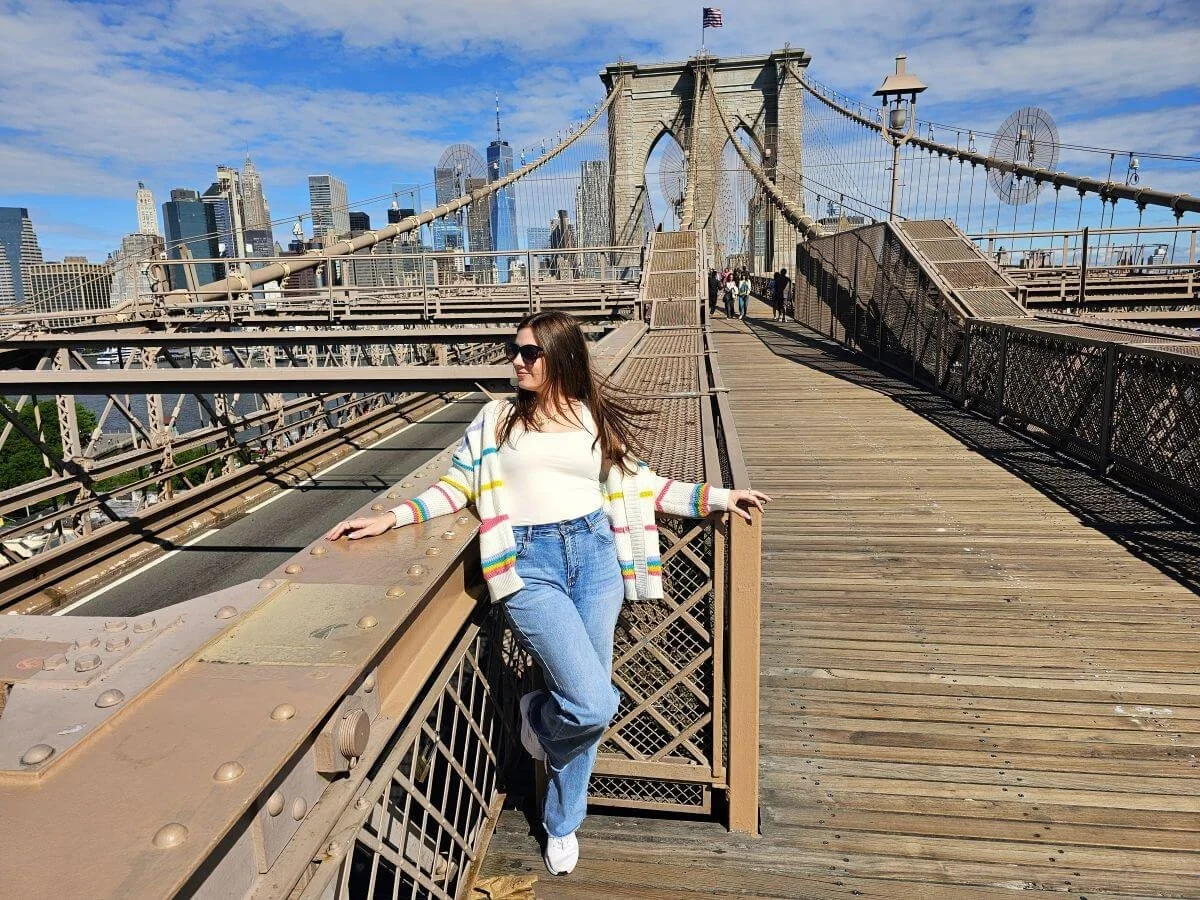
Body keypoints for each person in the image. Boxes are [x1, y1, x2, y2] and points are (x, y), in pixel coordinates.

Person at [324, 311, 771, 877]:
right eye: (514, 351)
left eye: (528, 353)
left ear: (559, 357)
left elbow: (643, 485)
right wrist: (394, 517)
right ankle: (540, 718)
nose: (516, 361)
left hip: (595, 557)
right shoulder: (496, 419)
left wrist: (716, 497)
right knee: (591, 702)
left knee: (586, 695)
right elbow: (457, 486)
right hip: (528, 564)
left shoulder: (591, 417)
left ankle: (561, 820)